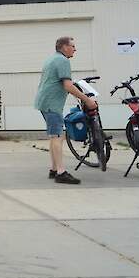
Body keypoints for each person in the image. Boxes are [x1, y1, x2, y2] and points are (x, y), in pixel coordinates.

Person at [33, 36, 96, 184]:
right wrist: (87, 99)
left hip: (45, 102)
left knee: (55, 136)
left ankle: (54, 169)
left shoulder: (52, 59)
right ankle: (61, 172)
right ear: (64, 47)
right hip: (52, 104)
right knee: (57, 136)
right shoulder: (63, 61)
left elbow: (62, 83)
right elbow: (67, 85)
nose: (75, 49)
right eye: (72, 46)